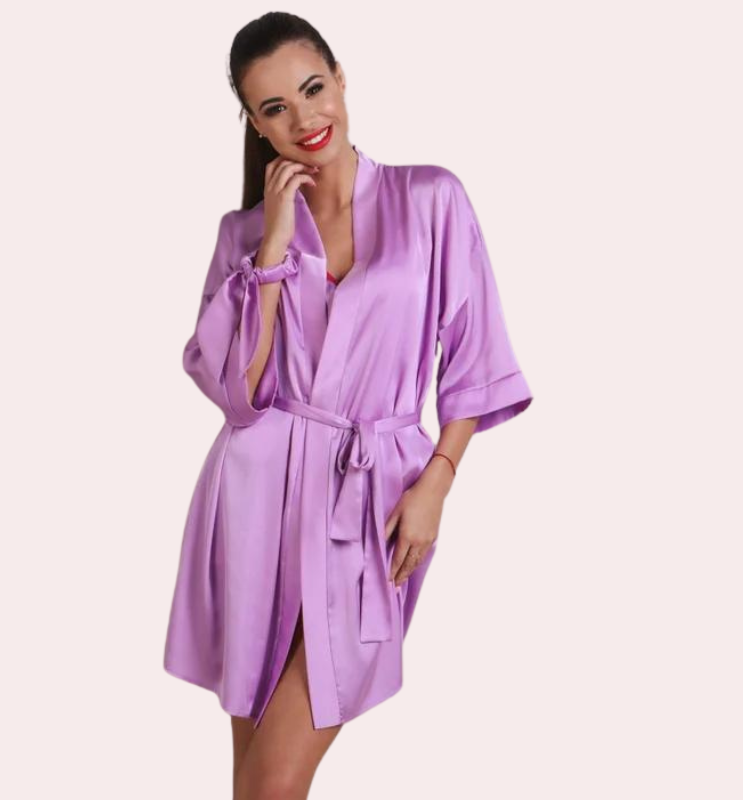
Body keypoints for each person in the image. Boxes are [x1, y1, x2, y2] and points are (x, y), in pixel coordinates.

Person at [164, 11, 533, 798]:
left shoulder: (430, 198)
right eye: (274, 108)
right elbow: (239, 397)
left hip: (374, 499)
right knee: (259, 786)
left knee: (271, 781)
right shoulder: (242, 235)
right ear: (255, 125)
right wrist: (270, 254)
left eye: (312, 89)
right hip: (256, 498)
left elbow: (474, 358)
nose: (303, 119)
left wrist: (437, 482)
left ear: (340, 79)